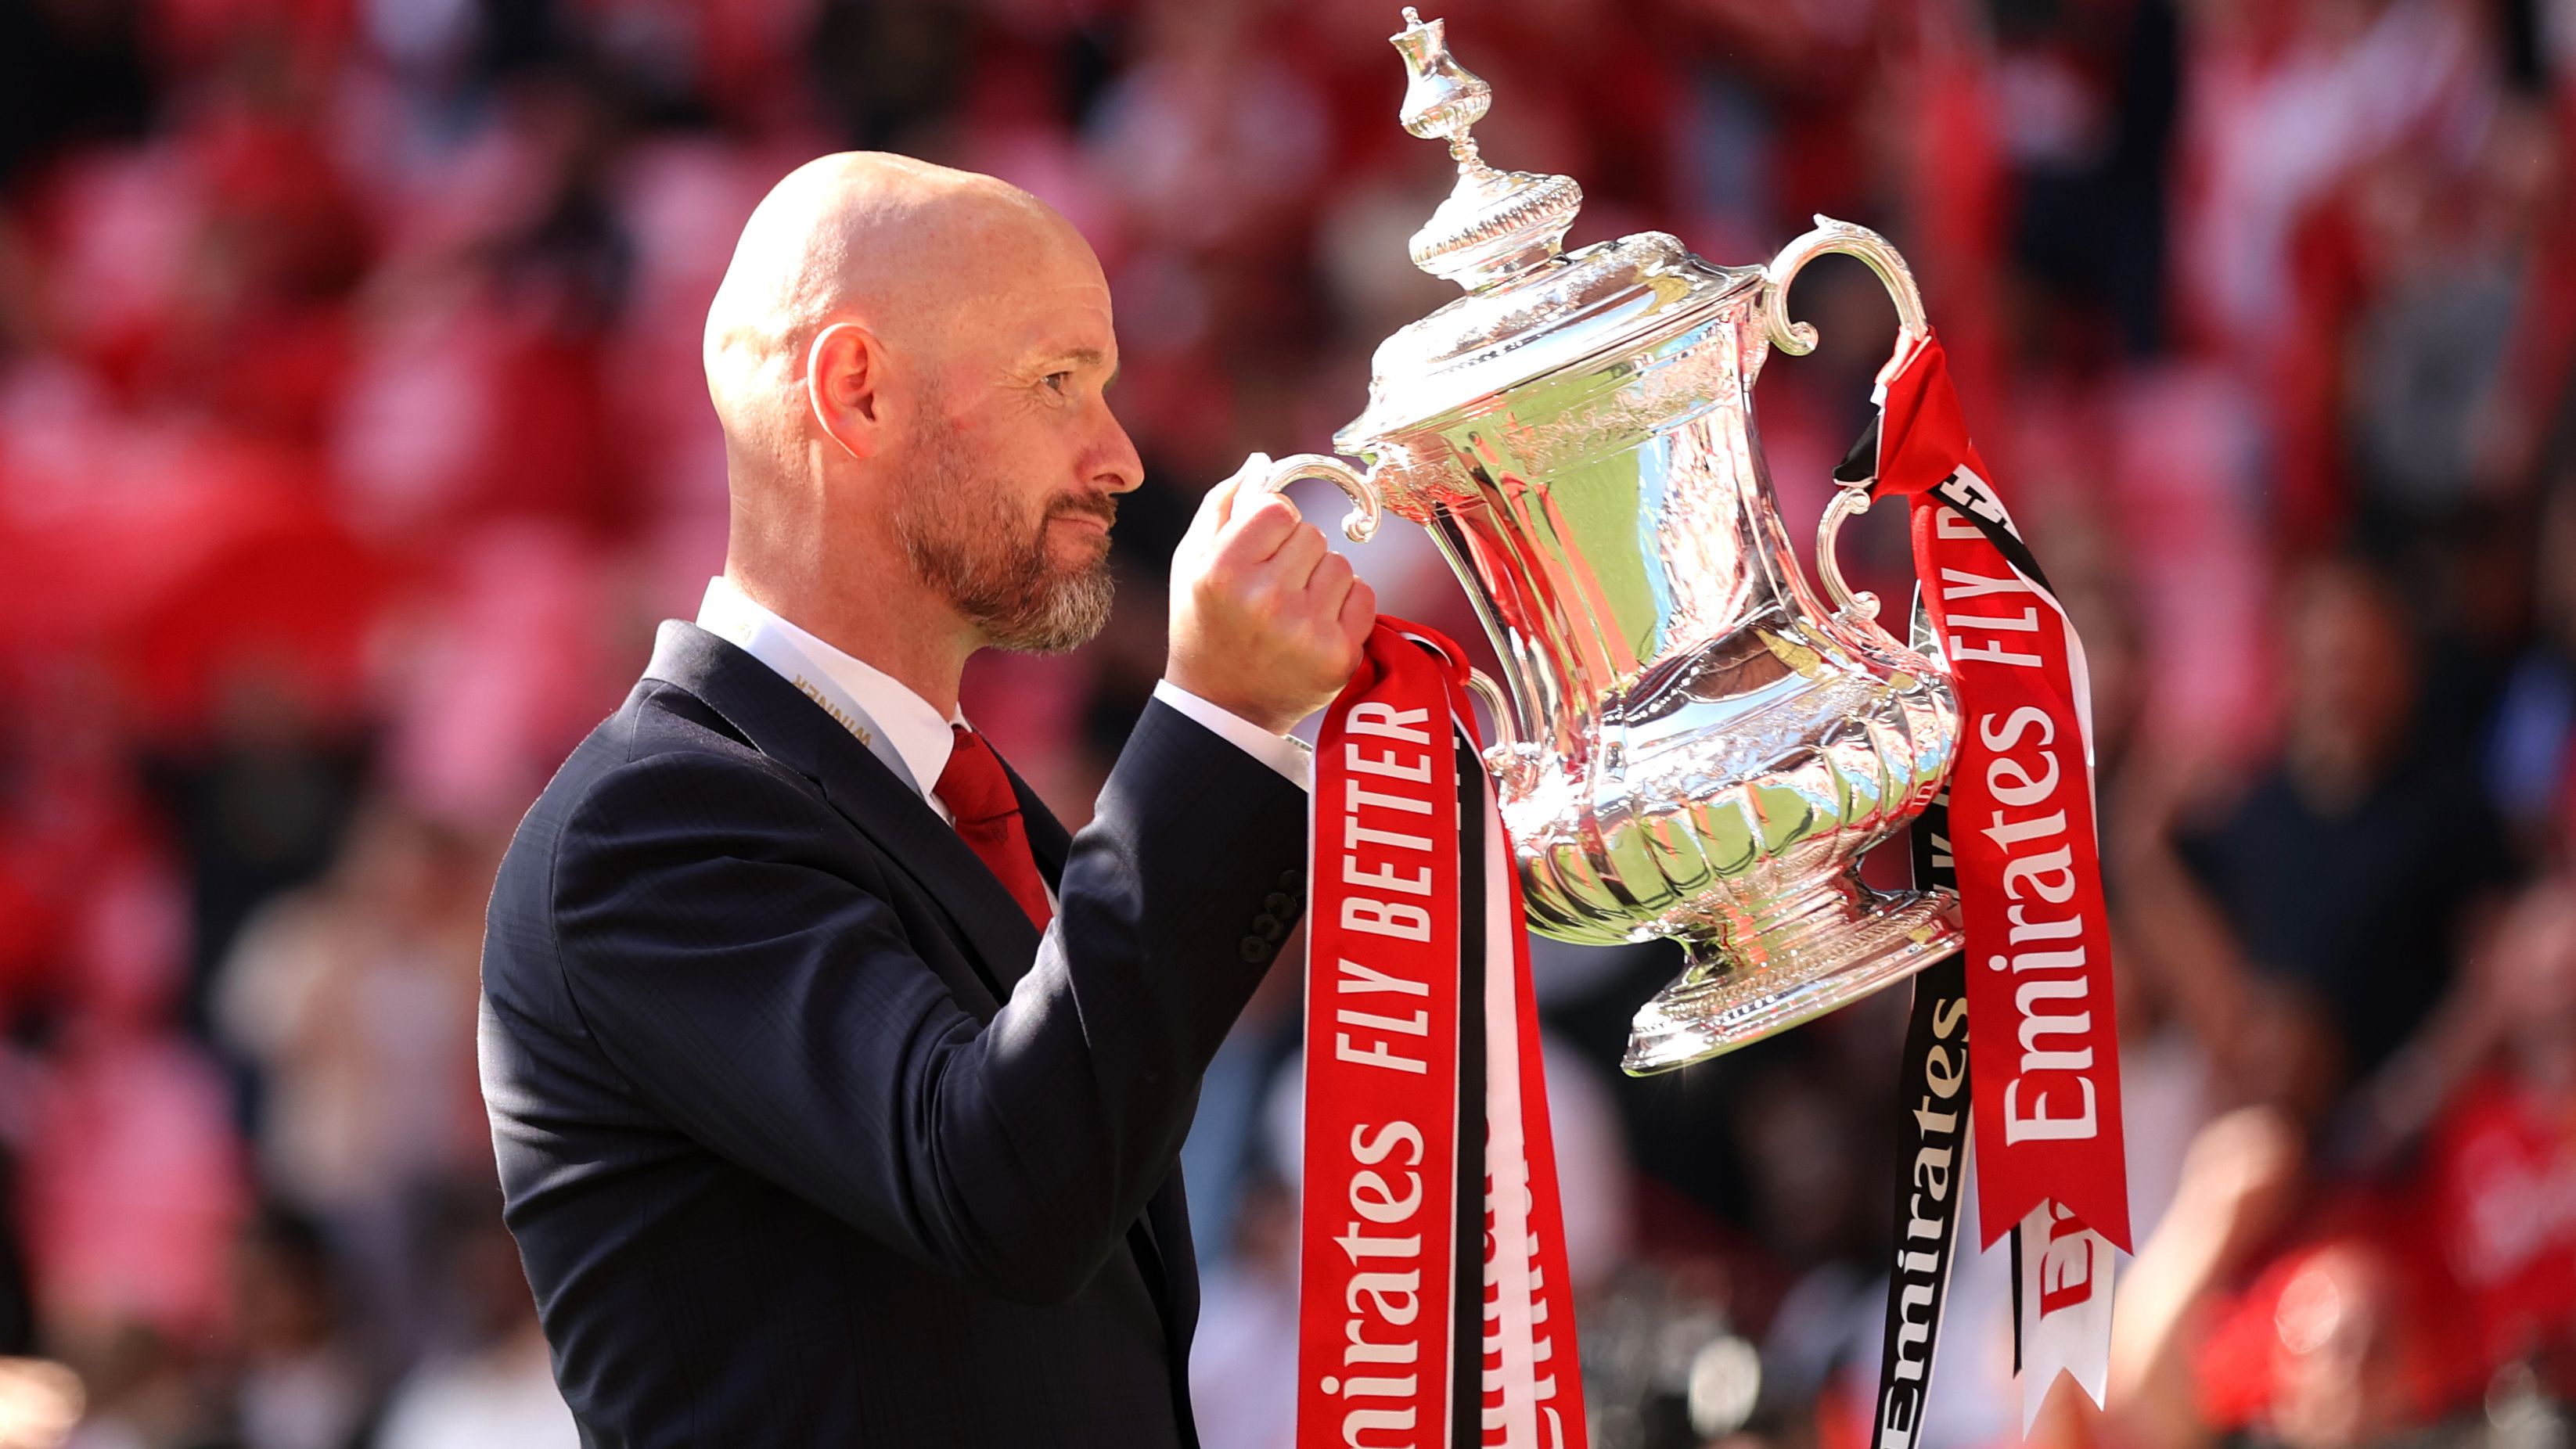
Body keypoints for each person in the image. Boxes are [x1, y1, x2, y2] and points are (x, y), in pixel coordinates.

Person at [477, 152, 1373, 1447]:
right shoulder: (646, 827)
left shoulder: (970, 805)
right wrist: (1221, 726)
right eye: (1058, 381)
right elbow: (1009, 1185)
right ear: (860, 392)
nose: (1121, 458)